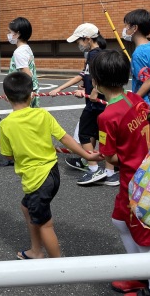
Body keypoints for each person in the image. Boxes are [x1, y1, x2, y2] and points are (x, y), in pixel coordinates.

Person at [89, 50, 150, 296]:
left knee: (145, 240)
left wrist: (98, 154)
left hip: (134, 183)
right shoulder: (135, 99)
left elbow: (110, 156)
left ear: (96, 81)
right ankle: (138, 275)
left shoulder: (107, 116)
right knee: (119, 221)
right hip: (144, 173)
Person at [0, 71, 99, 260]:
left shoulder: (6, 125)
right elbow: (65, 138)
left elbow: (7, 154)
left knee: (45, 224)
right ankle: (35, 250)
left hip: (36, 181)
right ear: (31, 95)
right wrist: (86, 153)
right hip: (52, 174)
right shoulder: (43, 115)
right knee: (26, 208)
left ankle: (56, 265)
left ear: (5, 98)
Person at [63, 23, 117, 186]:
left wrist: (93, 91)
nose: (78, 44)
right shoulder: (103, 53)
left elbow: (97, 77)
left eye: (79, 41)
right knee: (104, 137)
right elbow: (89, 75)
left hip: (95, 104)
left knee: (85, 134)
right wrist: (84, 86)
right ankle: (110, 173)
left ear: (87, 39)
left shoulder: (94, 55)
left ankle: (94, 169)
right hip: (105, 103)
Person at [2, 16, 39, 167]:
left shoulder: (19, 52)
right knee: (30, 124)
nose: (8, 35)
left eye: (9, 32)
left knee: (22, 125)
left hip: (24, 95)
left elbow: (26, 74)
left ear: (17, 33)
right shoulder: (26, 48)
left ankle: (23, 155)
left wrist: (19, 93)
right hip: (29, 92)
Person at [122, 9, 150, 105]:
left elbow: (148, 82)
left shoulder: (138, 53)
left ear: (134, 28)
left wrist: (133, 100)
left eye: (126, 25)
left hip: (145, 102)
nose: (125, 28)